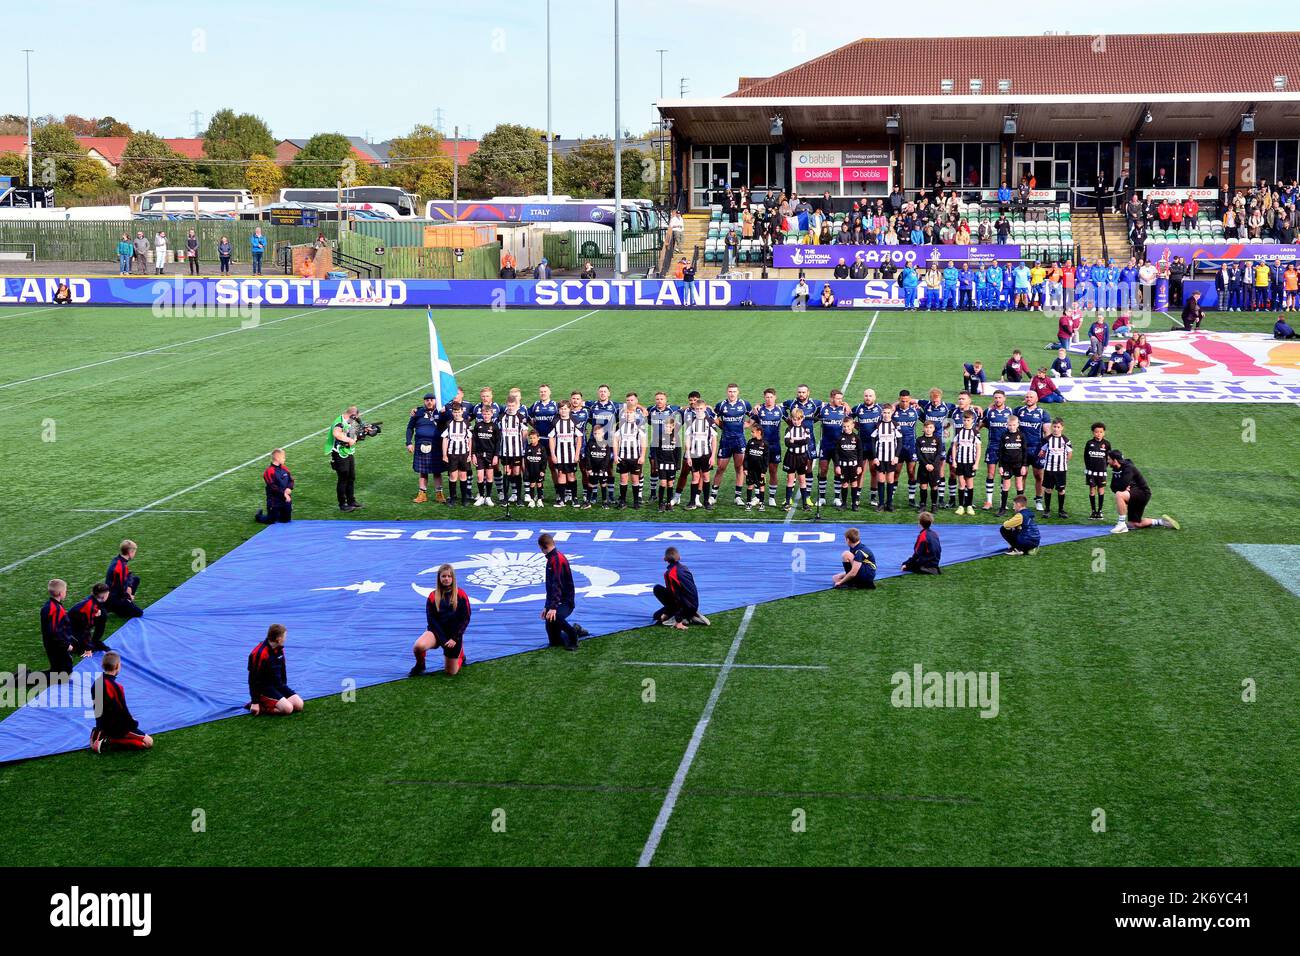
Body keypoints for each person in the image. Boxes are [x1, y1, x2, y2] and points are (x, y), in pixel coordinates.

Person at [410, 565, 471, 676]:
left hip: (453, 636)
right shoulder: (432, 596)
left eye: (449, 576)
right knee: (418, 646)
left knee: (451, 672)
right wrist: (442, 640)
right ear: (439, 578)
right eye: (443, 576)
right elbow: (432, 621)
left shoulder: (461, 594)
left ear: (453, 578)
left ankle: (460, 655)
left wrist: (454, 638)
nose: (446, 578)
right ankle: (420, 665)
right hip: (436, 633)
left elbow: (466, 618)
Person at [90, 652, 153, 753]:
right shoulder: (117, 687)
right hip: (117, 727)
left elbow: (97, 709)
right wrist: (133, 723)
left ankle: (101, 734)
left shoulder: (96, 683)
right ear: (117, 666)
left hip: (103, 724)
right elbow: (123, 710)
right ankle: (110, 740)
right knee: (148, 742)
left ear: (102, 666)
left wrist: (100, 726)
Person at [1107, 448, 1181, 534]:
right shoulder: (1116, 468)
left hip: (1142, 493)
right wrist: (1122, 487)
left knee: (1119, 495)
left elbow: (1122, 485)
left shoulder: (1128, 467)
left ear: (1115, 460)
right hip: (1134, 493)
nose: (1107, 461)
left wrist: (1121, 488)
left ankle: (1121, 524)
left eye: (1109, 459)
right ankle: (1161, 522)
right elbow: (1112, 487)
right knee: (1134, 524)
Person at [539, 533, 587, 651]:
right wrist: (547, 606)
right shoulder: (552, 558)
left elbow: (557, 585)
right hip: (557, 600)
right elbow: (550, 586)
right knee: (554, 641)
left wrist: (553, 607)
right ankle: (576, 629)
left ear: (543, 547)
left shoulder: (556, 560)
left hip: (565, 601)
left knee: (555, 617)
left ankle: (572, 636)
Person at [247, 623, 305, 715]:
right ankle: (259, 706)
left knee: (299, 705)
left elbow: (282, 670)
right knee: (288, 709)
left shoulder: (279, 649)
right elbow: (252, 679)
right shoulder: (259, 653)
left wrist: (284, 688)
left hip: (278, 685)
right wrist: (255, 702)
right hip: (264, 688)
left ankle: (277, 700)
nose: (285, 639)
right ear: (278, 639)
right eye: (284, 636)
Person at [652, 547, 709, 629]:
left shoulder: (670, 574)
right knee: (658, 590)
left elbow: (677, 595)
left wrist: (678, 619)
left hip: (687, 606)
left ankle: (687, 617)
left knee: (657, 616)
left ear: (664, 559)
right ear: (679, 558)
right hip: (692, 604)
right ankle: (689, 615)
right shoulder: (684, 568)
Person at [40, 578, 84, 677]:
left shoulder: (50, 605)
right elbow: (54, 633)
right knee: (63, 675)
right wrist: (66, 645)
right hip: (56, 645)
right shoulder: (56, 610)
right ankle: (22, 677)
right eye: (65, 591)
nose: (66, 592)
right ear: (60, 593)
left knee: (61, 670)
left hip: (53, 643)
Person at [406, 393, 444, 504]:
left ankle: (439, 494)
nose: (429, 402)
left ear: (435, 401)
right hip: (420, 445)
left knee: (437, 471)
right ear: (424, 401)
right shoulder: (418, 412)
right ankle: (422, 494)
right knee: (423, 472)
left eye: (431, 399)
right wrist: (409, 443)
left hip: (437, 445)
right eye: (427, 400)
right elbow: (410, 428)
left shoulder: (441, 412)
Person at [328, 406, 363, 513]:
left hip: (348, 453)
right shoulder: (339, 422)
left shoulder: (351, 421)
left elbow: (354, 434)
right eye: (356, 416)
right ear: (353, 415)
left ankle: (351, 501)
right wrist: (348, 439)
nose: (357, 419)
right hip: (339, 454)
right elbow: (336, 433)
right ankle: (342, 504)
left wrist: (364, 432)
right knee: (343, 478)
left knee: (351, 477)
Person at [1038, 418, 1072, 517]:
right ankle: (1047, 510)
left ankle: (1061, 510)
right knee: (1048, 489)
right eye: (1054, 427)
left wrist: (1064, 461)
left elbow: (1069, 453)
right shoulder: (1047, 439)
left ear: (1062, 428)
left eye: (1058, 427)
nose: (1056, 429)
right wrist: (1043, 456)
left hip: (1061, 469)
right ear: (1052, 427)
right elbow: (1042, 452)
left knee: (1061, 490)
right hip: (1049, 468)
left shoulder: (1065, 440)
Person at [441, 403, 472, 505]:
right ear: (452, 412)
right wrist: (444, 455)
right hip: (452, 454)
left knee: (463, 476)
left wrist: (470, 454)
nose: (457, 414)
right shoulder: (449, 423)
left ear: (462, 412)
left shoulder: (467, 424)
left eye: (458, 412)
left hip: (463, 454)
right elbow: (445, 440)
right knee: (453, 476)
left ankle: (464, 499)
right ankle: (453, 498)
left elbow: (470, 440)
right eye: (455, 412)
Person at [105, 539, 144, 620]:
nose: (135, 554)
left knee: (136, 579)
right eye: (134, 552)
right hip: (114, 597)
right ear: (130, 552)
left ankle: (115, 605)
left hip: (112, 592)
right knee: (139, 613)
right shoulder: (121, 567)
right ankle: (113, 607)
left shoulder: (117, 559)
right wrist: (129, 597)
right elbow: (121, 589)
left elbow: (128, 575)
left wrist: (129, 586)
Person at [254, 448, 294, 524]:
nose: (285, 459)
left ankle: (278, 514)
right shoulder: (269, 471)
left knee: (286, 520)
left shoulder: (284, 468)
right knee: (271, 520)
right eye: (283, 457)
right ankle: (258, 516)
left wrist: (289, 487)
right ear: (277, 458)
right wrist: (284, 494)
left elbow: (291, 480)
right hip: (274, 501)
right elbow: (272, 486)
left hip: (285, 500)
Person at [1083, 422, 1112, 519]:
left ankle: (1100, 511)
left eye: (1100, 432)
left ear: (1104, 433)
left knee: (1101, 490)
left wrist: (1105, 467)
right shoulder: (1089, 443)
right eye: (1096, 432)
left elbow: (1109, 457)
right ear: (1093, 433)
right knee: (1092, 491)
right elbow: (1086, 456)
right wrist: (1088, 467)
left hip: (1101, 472)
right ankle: (1093, 511)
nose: (1098, 434)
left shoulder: (1106, 444)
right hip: (1091, 472)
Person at [741, 421, 769, 511]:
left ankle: (761, 503)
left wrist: (764, 471)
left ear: (759, 432)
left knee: (761, 486)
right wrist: (745, 468)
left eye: (753, 432)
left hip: (760, 470)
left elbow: (766, 459)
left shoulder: (765, 444)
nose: (751, 433)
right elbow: (746, 456)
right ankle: (748, 503)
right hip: (751, 469)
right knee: (750, 486)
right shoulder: (750, 442)